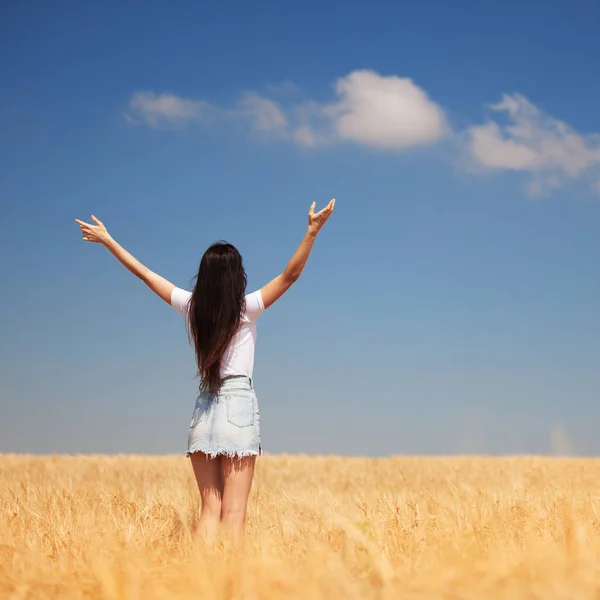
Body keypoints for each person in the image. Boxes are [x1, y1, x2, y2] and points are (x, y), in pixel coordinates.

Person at [75, 199, 336, 541]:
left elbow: (146, 275)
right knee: (235, 512)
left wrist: (109, 241)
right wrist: (312, 231)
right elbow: (290, 276)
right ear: (236, 276)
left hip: (204, 408)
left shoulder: (192, 307)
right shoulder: (247, 309)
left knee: (210, 511)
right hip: (237, 405)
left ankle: (197, 583)